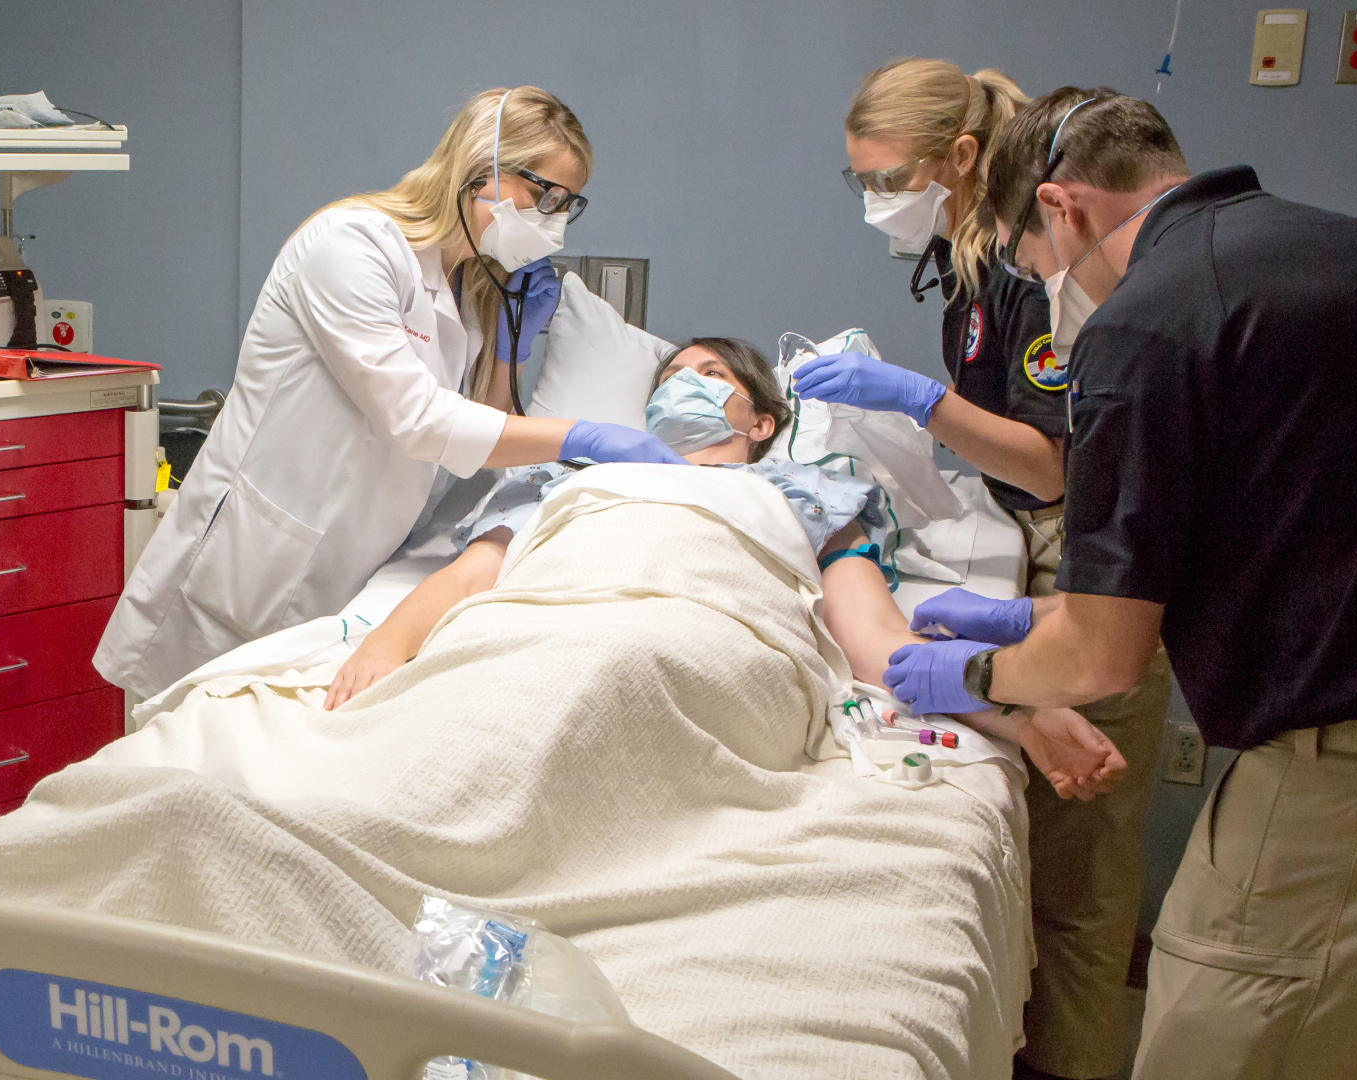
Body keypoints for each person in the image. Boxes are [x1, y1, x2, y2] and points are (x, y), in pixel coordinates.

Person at [889, 87, 1357, 1080]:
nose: (1041, 283)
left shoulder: (1149, 325)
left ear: (1060, 208)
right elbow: (1297, 528)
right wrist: (1037, 614)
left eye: (1029, 259)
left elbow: (1104, 660)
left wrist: (975, 676)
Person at [325, 337, 1128, 802]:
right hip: (546, 627)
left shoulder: (813, 492)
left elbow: (873, 643)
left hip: (708, 642)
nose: (686, 382)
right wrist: (386, 648)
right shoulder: (563, 475)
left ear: (763, 421)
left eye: (712, 376)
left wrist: (1017, 714)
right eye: (673, 376)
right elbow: (474, 579)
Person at [810, 59, 1174, 1079]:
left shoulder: (1032, 270)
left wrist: (918, 405)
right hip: (1032, 562)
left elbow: (1054, 463)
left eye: (887, 180)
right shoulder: (970, 270)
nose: (878, 204)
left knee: (1083, 880)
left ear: (960, 159)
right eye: (864, 184)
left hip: (1087, 561)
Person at [98, 87, 687, 698]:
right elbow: (419, 420)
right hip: (252, 566)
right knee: (183, 753)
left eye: (568, 204)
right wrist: (583, 435)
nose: (553, 222)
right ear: (480, 167)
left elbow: (483, 434)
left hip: (362, 566)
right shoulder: (352, 245)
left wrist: (511, 346)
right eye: (543, 195)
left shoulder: (472, 289)